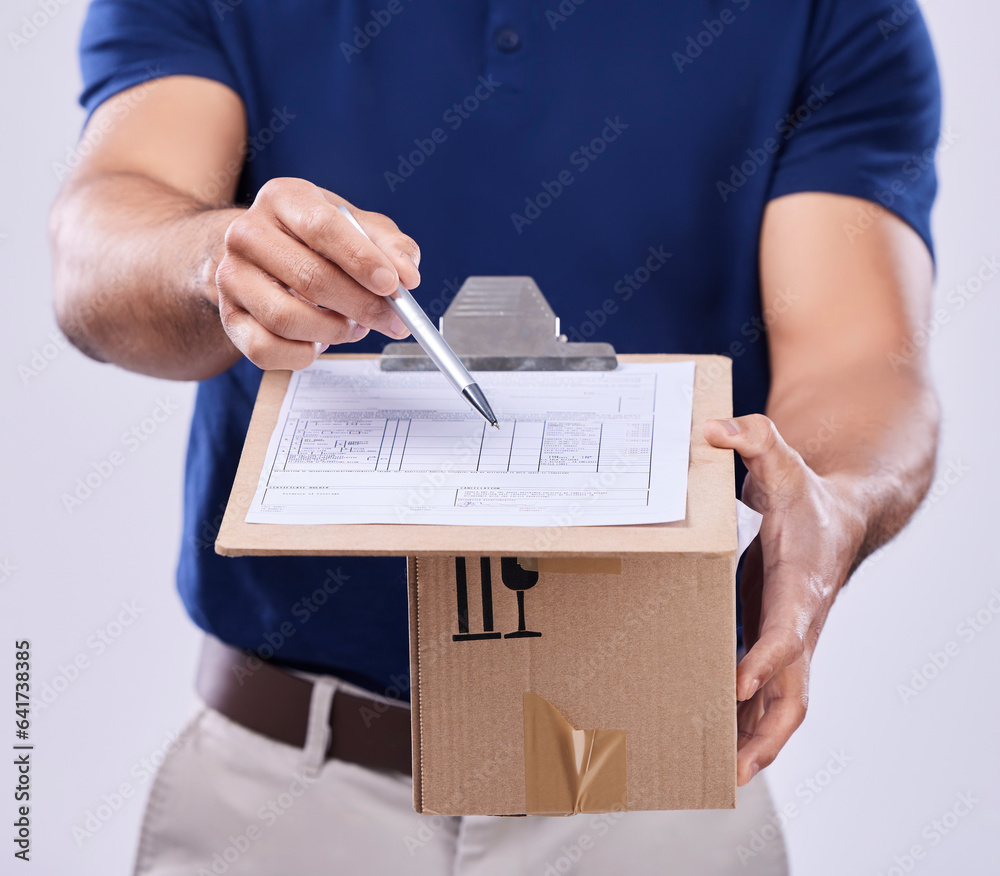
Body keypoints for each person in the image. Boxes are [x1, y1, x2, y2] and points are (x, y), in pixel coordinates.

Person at [50, 1, 941, 873]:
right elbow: (102, 243)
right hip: (284, 795)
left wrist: (835, 500)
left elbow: (860, 360)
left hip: (657, 786)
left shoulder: (836, 13)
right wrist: (218, 259)